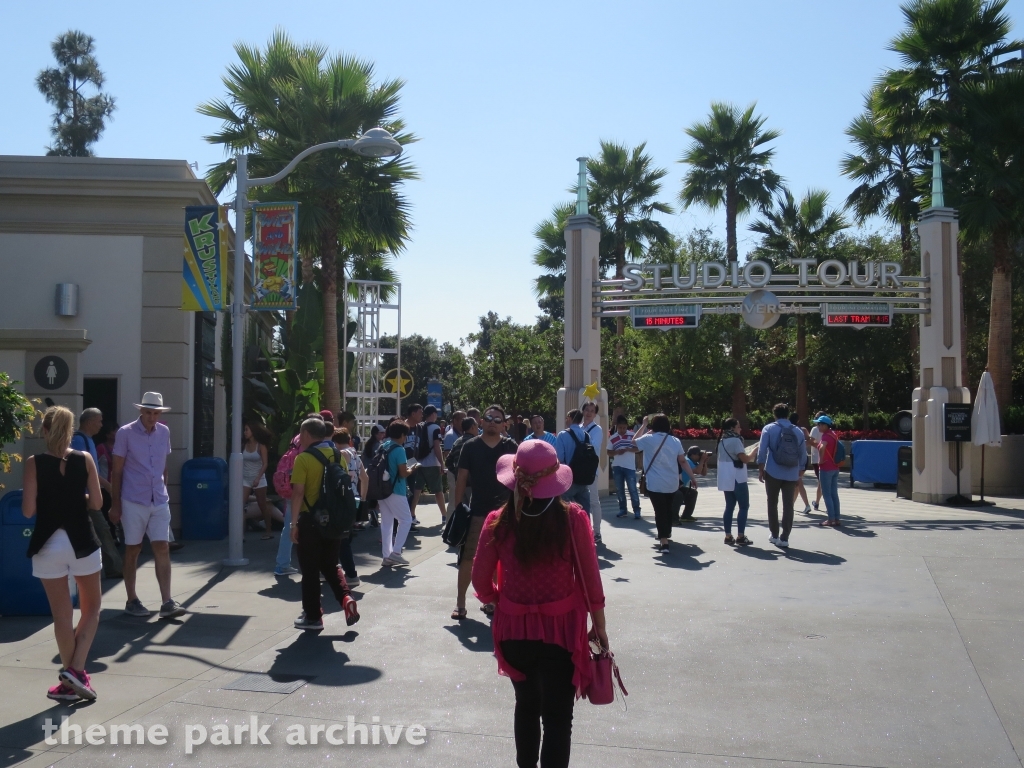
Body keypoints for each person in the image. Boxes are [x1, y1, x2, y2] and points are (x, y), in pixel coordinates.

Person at [472, 440, 607, 768]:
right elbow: (590, 580)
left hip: (514, 631)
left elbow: (479, 580)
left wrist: (501, 603)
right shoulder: (573, 518)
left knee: (527, 707)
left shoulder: (497, 520)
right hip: (561, 632)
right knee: (558, 719)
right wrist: (600, 627)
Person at [23, 406, 104, 701]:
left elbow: (29, 509)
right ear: (71, 431)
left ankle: (70, 682)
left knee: (62, 615)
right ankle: (77, 670)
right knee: (92, 609)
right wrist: (75, 496)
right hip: (82, 540)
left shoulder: (34, 463)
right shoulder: (85, 459)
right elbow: (96, 503)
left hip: (48, 544)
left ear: (44, 431)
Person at [109, 392, 186, 619]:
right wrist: (115, 505)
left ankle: (167, 601)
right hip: (133, 499)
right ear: (141, 411)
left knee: (162, 546)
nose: (152, 417)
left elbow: (163, 466)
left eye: (156, 413)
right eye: (149, 412)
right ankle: (132, 599)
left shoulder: (164, 432)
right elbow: (117, 470)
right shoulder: (126, 433)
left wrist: (165, 491)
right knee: (133, 548)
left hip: (158, 499)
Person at [289, 418, 359, 630]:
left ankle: (313, 617)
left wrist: (293, 524)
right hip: (334, 520)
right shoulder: (339, 455)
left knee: (309, 569)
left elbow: (298, 492)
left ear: (307, 434)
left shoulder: (303, 459)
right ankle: (346, 599)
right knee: (330, 564)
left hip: (310, 520)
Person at [451, 404, 517, 620]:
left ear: (504, 424)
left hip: (505, 513)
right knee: (468, 558)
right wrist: (458, 507)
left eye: (498, 419)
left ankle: (492, 601)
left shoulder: (510, 446)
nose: (492, 421)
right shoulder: (470, 446)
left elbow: (519, 479)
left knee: (502, 559)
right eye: (488, 417)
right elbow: (461, 477)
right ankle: (460, 604)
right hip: (478, 512)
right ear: (481, 421)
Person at [71, 408, 122, 578]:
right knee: (102, 530)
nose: (101, 425)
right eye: (99, 421)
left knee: (101, 530)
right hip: (84, 497)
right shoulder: (79, 441)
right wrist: (107, 486)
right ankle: (113, 567)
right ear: (89, 421)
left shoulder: (88, 441)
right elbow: (86, 470)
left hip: (89, 496)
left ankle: (108, 567)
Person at [633, 414, 693, 551]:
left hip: (655, 482)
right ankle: (666, 532)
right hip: (672, 482)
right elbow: (682, 461)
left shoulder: (648, 438)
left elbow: (633, 441)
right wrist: (693, 477)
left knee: (659, 510)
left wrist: (643, 426)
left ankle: (664, 540)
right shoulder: (675, 441)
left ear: (653, 426)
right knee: (667, 508)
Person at [756, 403, 807, 549]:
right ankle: (785, 537)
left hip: (773, 470)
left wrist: (761, 468)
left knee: (772, 502)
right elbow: (803, 454)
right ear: (788, 413)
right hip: (791, 472)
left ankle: (774, 534)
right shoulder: (797, 431)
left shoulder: (769, 428)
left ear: (775, 414)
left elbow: (762, 449)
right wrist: (800, 472)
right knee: (788, 505)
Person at [378, 421, 415, 567]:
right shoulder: (399, 450)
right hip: (396, 490)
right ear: (401, 435)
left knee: (386, 523)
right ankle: (397, 552)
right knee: (406, 520)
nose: (405, 438)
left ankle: (387, 556)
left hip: (382, 490)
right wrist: (413, 468)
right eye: (405, 435)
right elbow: (403, 473)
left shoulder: (383, 446)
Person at [716, 418, 759, 545]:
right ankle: (741, 535)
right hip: (737, 477)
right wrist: (753, 452)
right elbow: (744, 459)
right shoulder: (736, 441)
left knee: (729, 506)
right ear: (732, 428)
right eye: (738, 426)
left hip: (726, 477)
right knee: (744, 506)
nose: (740, 429)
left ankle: (728, 536)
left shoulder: (722, 441)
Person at [334, 428, 366, 586]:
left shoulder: (343, 454)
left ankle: (351, 574)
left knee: (342, 538)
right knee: (345, 536)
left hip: (344, 499)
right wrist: (363, 498)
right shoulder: (355, 454)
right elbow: (365, 478)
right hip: (355, 498)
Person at [243, 419, 279, 540]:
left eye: (247, 429)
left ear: (253, 431)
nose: (245, 432)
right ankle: (240, 533)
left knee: (262, 504)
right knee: (240, 505)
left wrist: (258, 478)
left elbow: (265, 464)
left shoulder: (261, 446)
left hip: (259, 478)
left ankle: (268, 531)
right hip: (245, 478)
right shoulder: (244, 445)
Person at [411, 404, 447, 523]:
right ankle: (444, 515)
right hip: (432, 462)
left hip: (418, 462)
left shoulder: (419, 426)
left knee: (417, 489)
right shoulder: (435, 428)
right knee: (438, 490)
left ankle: (412, 514)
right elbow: (437, 447)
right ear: (433, 414)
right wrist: (442, 464)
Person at [555, 410, 592, 522]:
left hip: (569, 480)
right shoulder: (586, 435)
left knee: (567, 514)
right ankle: (586, 535)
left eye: (567, 417)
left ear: (570, 418)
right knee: (585, 513)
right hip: (584, 479)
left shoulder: (562, 435)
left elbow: (560, 458)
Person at [580, 402, 605, 544]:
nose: (589, 413)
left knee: (594, 501)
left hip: (590, 469)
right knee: (579, 500)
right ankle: (584, 530)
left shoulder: (597, 429)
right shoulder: (578, 427)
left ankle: (597, 532)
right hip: (578, 469)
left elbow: (594, 447)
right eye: (587, 410)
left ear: (595, 414)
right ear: (582, 411)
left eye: (592, 411)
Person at [608, 415, 641, 519]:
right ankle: (623, 509)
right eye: (620, 428)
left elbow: (638, 449)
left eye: (624, 427)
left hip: (630, 467)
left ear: (627, 426)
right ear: (617, 426)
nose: (622, 430)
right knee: (620, 489)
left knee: (632, 489)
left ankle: (636, 510)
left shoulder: (632, 436)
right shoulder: (612, 438)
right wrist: (617, 452)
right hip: (617, 467)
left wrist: (628, 449)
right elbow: (608, 452)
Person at [811, 415, 842, 527]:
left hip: (826, 468)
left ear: (825, 425)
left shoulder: (825, 437)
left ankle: (830, 519)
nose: (818, 426)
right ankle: (837, 518)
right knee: (834, 494)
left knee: (827, 494)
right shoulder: (833, 435)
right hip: (835, 467)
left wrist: (821, 460)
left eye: (819, 424)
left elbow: (822, 447)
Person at [445, 416, 478, 514]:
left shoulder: (457, 441)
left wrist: (456, 472)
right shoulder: (476, 442)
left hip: (459, 483)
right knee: (474, 513)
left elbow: (448, 461)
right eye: (476, 426)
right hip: (473, 484)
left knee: (463, 512)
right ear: (472, 427)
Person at [403, 404, 424, 527]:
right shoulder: (402, 426)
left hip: (413, 464)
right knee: (402, 493)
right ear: (413, 414)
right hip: (401, 463)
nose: (422, 415)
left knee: (412, 491)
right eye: (420, 412)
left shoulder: (419, 429)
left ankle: (409, 518)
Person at [677, 446, 709, 522]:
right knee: (692, 493)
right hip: (676, 486)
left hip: (681, 486)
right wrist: (702, 460)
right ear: (693, 455)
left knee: (693, 493)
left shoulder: (693, 462)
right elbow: (697, 471)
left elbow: (703, 473)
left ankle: (686, 516)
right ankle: (680, 515)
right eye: (699, 454)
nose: (700, 456)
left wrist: (704, 462)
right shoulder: (687, 461)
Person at [791, 413, 813, 514]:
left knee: (798, 482)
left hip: (797, 459)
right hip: (804, 457)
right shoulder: (802, 430)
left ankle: (807, 505)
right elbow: (811, 440)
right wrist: (803, 444)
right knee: (797, 483)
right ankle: (791, 504)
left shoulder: (791, 430)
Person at [809, 411, 826, 511]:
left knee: (821, 482)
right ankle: (817, 502)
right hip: (820, 459)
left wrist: (820, 447)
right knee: (822, 482)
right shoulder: (828, 430)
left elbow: (811, 441)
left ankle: (818, 502)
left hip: (817, 459)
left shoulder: (815, 429)